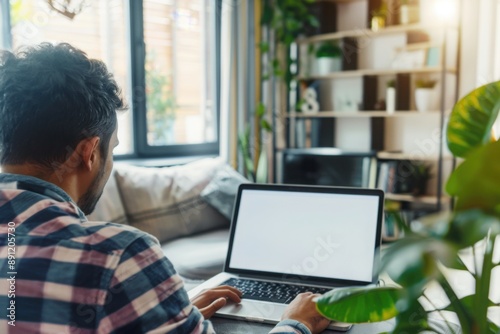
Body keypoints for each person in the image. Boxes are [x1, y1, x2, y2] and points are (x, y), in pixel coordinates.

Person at [0, 43, 330, 333]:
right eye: (112, 149)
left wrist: (169, 313)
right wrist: (296, 323)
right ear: (89, 153)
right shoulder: (120, 257)